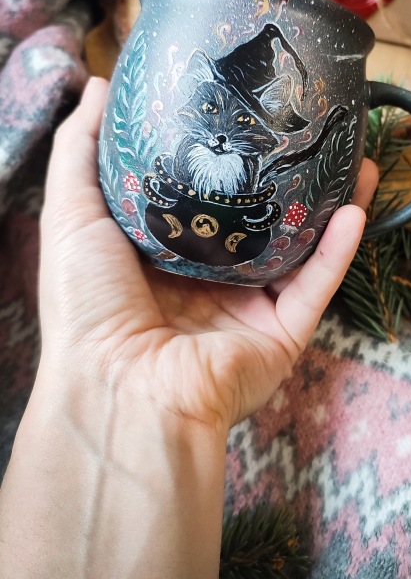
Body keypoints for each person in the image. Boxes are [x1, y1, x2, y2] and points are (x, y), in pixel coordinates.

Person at [0, 77, 378, 578]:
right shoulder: (184, 158)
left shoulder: (252, 167)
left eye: (241, 122)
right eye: (215, 116)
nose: (222, 133)